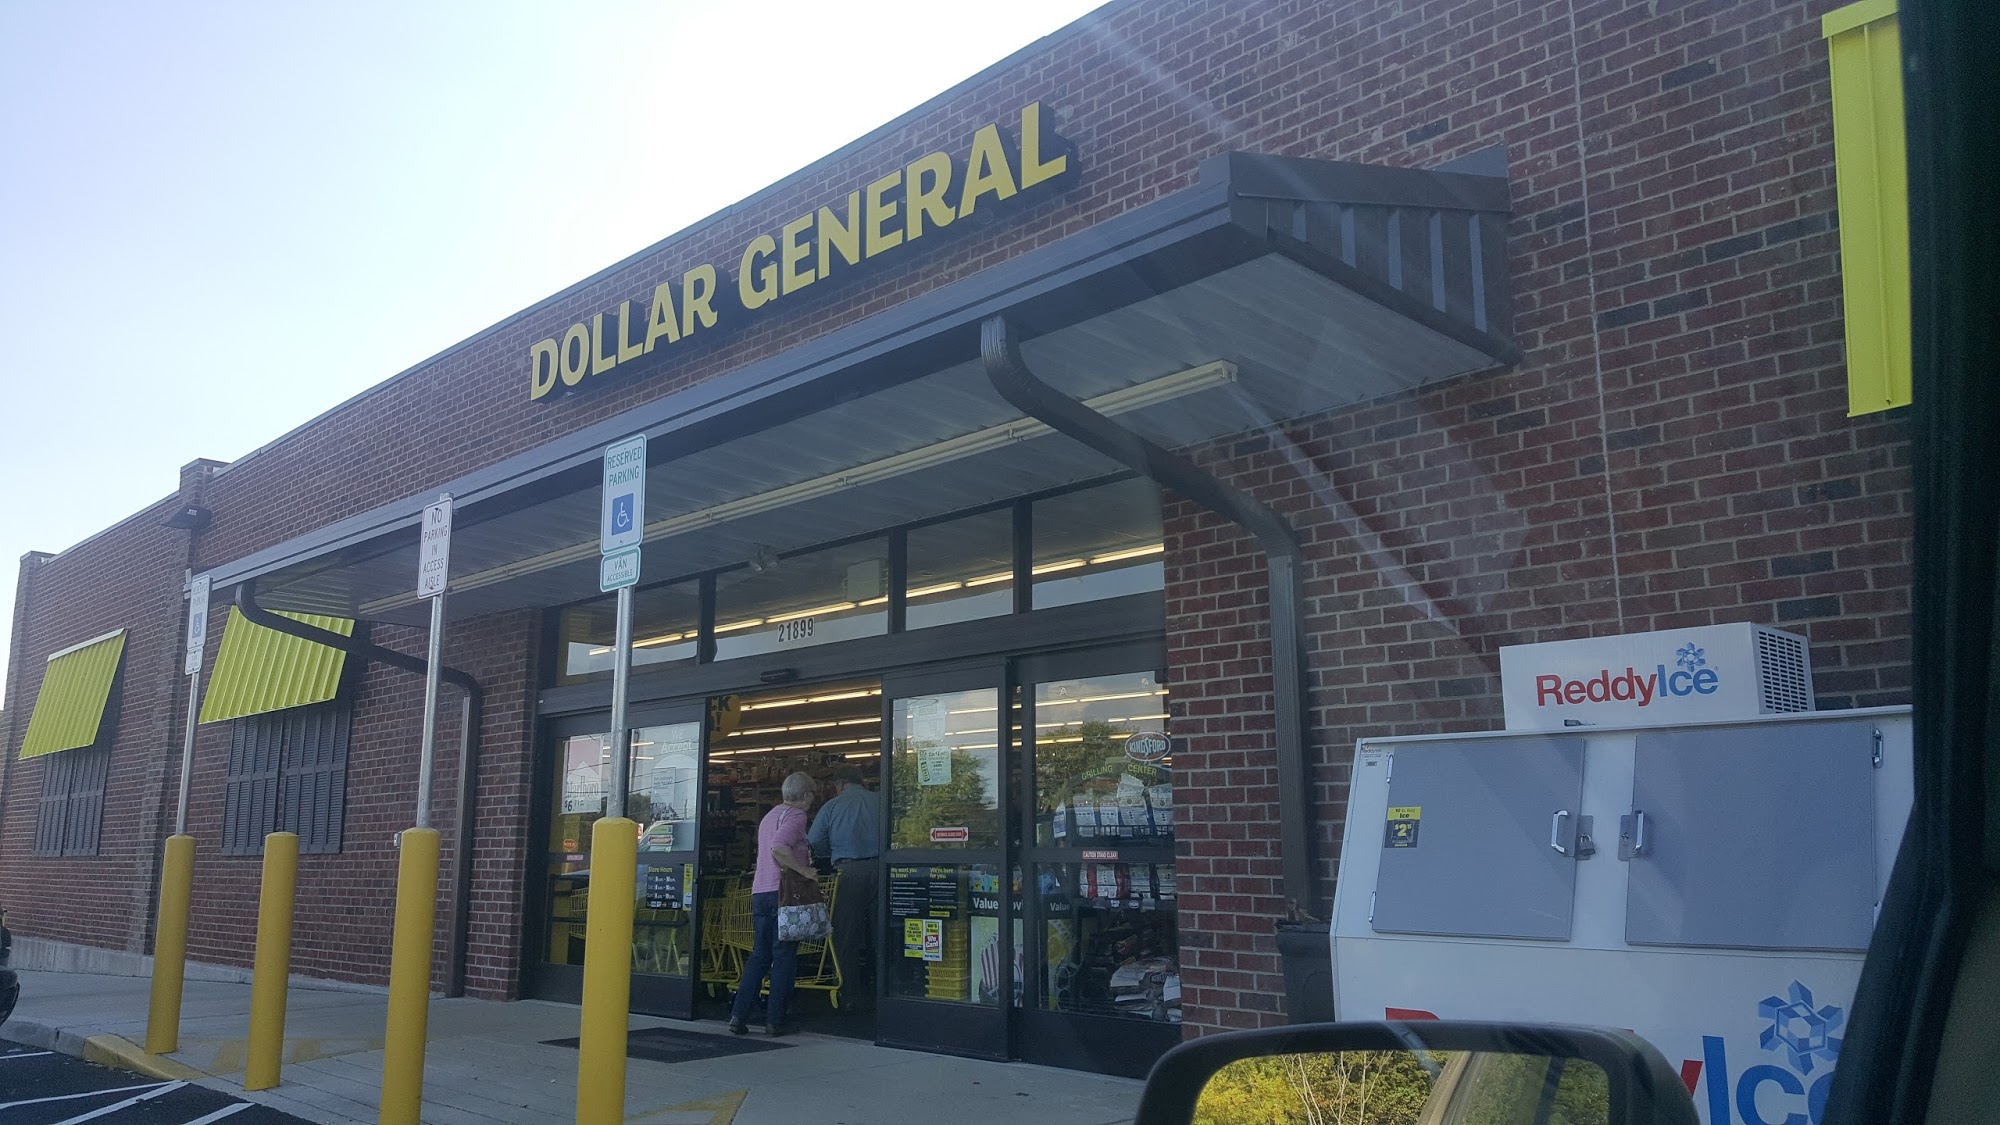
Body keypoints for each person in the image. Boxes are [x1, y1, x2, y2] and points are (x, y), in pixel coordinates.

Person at [729, 771, 818, 1036]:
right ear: (806, 796)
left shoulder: (770, 816)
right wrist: (804, 871)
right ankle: (775, 1020)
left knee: (760, 955)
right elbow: (779, 847)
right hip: (783, 894)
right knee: (784, 956)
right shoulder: (796, 815)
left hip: (761, 892)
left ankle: (738, 1015)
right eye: (813, 795)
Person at [807, 768, 881, 1008]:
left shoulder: (831, 807)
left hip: (847, 873)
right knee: (882, 932)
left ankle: (850, 995)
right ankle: (885, 990)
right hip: (883, 869)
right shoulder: (881, 801)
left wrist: (832, 850)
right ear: (862, 781)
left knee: (846, 936)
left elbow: (814, 841)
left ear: (839, 784)